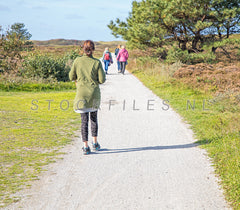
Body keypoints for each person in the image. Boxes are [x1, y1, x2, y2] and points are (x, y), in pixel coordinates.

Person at [69, 40, 106, 155]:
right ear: (93, 49)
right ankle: (95, 143)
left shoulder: (77, 61)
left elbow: (71, 76)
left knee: (83, 121)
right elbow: (102, 80)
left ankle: (85, 146)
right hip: (94, 94)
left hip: (81, 94)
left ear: (83, 49)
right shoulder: (97, 62)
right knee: (94, 119)